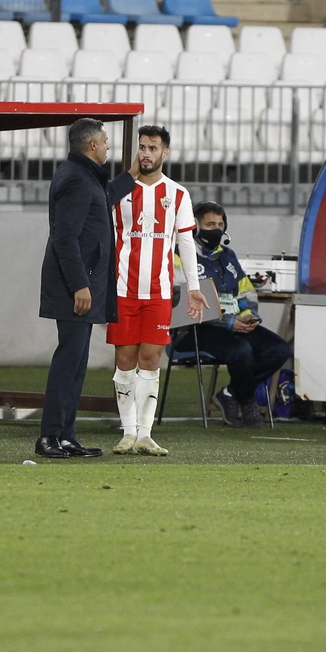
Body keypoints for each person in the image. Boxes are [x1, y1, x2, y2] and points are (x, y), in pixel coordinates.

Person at [36, 118, 136, 459]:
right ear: (92, 145)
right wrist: (79, 284)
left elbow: (104, 198)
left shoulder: (83, 176)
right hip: (74, 286)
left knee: (76, 362)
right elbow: (65, 238)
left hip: (83, 283)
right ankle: (49, 436)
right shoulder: (76, 179)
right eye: (105, 141)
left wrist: (132, 175)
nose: (108, 146)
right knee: (69, 360)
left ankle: (66, 435)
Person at [108, 126, 205, 456]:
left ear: (165, 153)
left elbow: (186, 243)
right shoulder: (120, 191)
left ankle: (145, 435)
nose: (146, 153)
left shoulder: (177, 194)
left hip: (159, 292)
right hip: (123, 290)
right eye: (142, 147)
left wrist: (193, 288)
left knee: (150, 361)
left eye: (152, 148)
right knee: (124, 361)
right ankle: (128, 433)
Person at [180, 202, 292, 429]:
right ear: (195, 227)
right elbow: (181, 301)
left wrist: (249, 316)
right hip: (194, 329)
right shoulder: (180, 255)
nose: (217, 229)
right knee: (242, 350)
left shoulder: (228, 256)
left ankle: (231, 393)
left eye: (220, 224)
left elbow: (246, 292)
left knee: (279, 350)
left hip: (234, 325)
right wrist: (228, 322)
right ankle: (247, 399)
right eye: (210, 225)